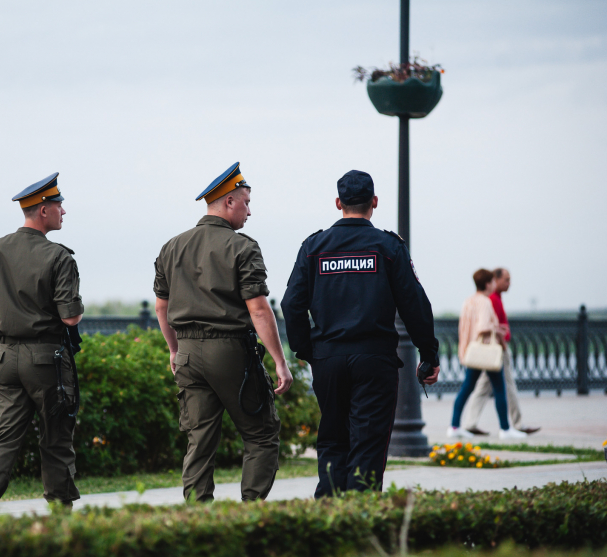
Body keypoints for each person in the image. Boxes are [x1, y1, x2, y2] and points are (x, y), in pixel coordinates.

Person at [281, 170, 440, 498]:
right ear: (375, 203)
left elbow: (291, 304)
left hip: (328, 359)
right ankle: (360, 520)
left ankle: (328, 521)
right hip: (374, 361)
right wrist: (429, 355)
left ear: (338, 203)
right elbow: (415, 304)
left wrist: (307, 350)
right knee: (368, 445)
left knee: (332, 441)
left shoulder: (314, 247)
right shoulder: (388, 246)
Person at [153, 162, 293, 503]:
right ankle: (249, 513)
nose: (249, 211)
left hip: (186, 351)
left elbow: (161, 307)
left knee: (199, 439)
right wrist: (280, 361)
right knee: (261, 434)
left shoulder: (172, 246)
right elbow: (258, 309)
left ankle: (199, 517)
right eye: (246, 202)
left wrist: (174, 350)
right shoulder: (243, 247)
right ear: (229, 202)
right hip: (229, 351)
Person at [0, 173, 84, 514]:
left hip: (3, 359)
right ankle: (61, 518)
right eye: (59, 205)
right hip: (46, 359)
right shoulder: (59, 257)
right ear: (44, 210)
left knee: (3, 438)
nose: (64, 211)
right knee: (56, 437)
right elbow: (71, 318)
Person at [448, 269, 527, 439]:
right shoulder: (484, 302)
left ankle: (454, 426)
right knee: (499, 388)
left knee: (467, 388)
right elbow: (483, 327)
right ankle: (505, 430)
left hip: (471, 352)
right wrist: (499, 330)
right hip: (485, 352)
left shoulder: (468, 301)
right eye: (492, 282)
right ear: (487, 284)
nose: (493, 285)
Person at [461, 268, 540, 435]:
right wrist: (501, 336)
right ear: (494, 281)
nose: (509, 283)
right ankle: (512, 426)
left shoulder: (489, 299)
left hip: (487, 351)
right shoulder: (490, 300)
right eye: (506, 279)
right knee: (505, 386)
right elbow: (486, 326)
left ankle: (470, 423)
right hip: (495, 350)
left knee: (481, 388)